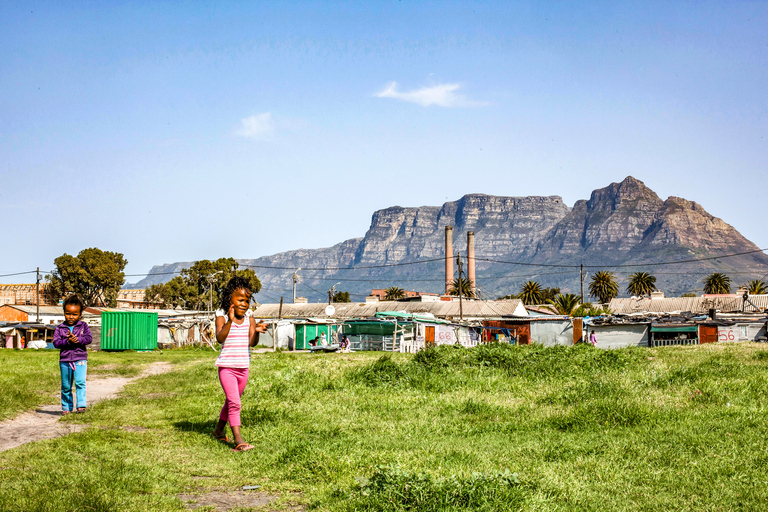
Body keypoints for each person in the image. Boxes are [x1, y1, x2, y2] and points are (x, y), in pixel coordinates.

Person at [211, 276, 268, 452]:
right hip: (227, 367)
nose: (244, 304)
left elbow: (252, 342)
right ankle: (238, 440)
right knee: (235, 403)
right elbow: (220, 337)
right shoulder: (221, 315)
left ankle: (219, 431)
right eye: (240, 299)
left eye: (247, 300)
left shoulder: (250, 317)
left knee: (231, 402)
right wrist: (230, 320)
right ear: (230, 299)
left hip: (243, 368)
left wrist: (257, 331)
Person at [52, 295, 92, 415]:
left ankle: (81, 406)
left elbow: (89, 338)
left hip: (80, 359)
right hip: (65, 361)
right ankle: (66, 408)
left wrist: (78, 340)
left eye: (74, 314)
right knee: (66, 386)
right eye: (68, 313)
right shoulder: (60, 328)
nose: (71, 316)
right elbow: (56, 343)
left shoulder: (83, 326)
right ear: (64, 312)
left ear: (80, 314)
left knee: (80, 382)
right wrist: (67, 341)